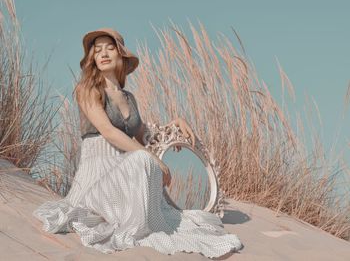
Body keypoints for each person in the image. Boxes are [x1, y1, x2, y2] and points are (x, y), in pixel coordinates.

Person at [32, 27, 243, 259]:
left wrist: (174, 125)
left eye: (110, 48)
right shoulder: (88, 89)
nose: (103, 54)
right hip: (97, 175)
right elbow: (108, 131)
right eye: (97, 50)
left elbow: (144, 136)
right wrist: (150, 156)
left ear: (121, 55)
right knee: (143, 158)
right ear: (92, 57)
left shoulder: (129, 98)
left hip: (123, 171)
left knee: (178, 215)